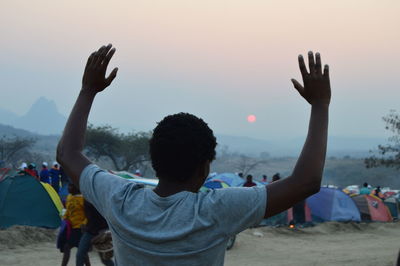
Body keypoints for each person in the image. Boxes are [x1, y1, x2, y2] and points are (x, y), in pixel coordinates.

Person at [57, 44, 331, 265]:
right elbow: (306, 181)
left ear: (155, 160)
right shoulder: (216, 210)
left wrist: (88, 90)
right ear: (204, 168)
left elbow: (68, 153)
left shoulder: (120, 200)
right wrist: (320, 104)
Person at [76, 200, 114, 266]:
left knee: (105, 259)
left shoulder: (97, 196)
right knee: (80, 255)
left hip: (101, 231)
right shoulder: (86, 198)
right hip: (91, 230)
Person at [62, 183, 89, 266]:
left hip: (80, 228)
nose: (68, 188)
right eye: (68, 186)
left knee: (70, 248)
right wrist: (64, 219)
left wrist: (84, 223)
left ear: (76, 188)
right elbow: (67, 210)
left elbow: (89, 214)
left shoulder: (82, 199)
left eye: (71, 186)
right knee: (81, 251)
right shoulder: (69, 197)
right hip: (71, 228)